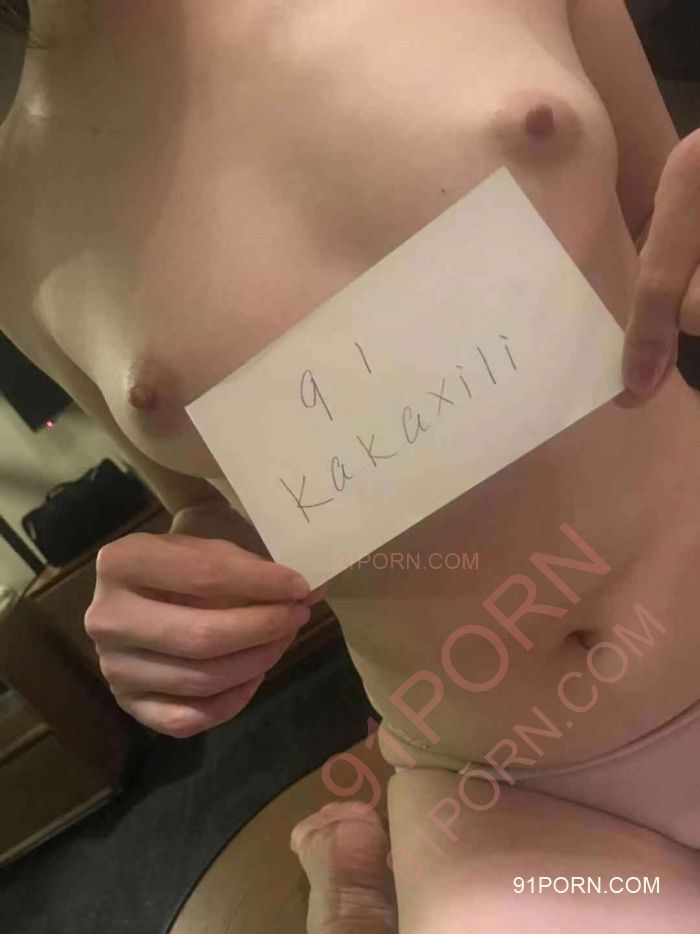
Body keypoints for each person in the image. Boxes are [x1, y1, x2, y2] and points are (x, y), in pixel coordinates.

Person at [1, 2, 700, 931]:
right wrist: (171, 608)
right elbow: (220, 511)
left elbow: (668, 229)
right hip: (507, 789)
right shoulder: (16, 213)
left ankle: (354, 883)